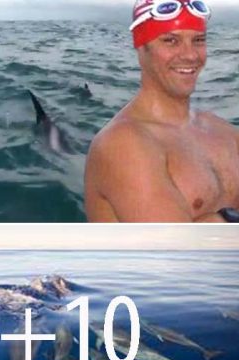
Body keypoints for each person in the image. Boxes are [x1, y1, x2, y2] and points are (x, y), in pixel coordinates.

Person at [85, 0, 239, 222]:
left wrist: (217, 220)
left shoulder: (224, 132)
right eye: (171, 41)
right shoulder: (121, 144)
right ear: (141, 46)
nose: (190, 55)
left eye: (198, 40)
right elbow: (179, 252)